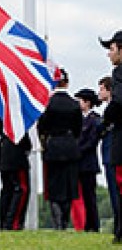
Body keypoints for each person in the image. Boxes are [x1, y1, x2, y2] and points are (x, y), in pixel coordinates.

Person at [37, 69, 83, 230]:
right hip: (70, 146)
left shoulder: (48, 104)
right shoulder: (75, 104)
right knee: (69, 186)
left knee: (54, 186)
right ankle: (65, 220)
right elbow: (78, 129)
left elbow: (42, 127)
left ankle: (58, 222)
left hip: (54, 146)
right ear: (67, 83)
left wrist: (44, 142)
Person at [99, 30, 122, 243]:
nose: (109, 54)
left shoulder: (118, 73)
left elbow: (118, 102)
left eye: (112, 49)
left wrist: (105, 120)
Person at [0, 113, 31, 230]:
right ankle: (13, 223)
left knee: (7, 189)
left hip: (4, 151)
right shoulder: (14, 111)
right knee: (20, 189)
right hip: (16, 152)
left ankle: (4, 222)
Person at [74, 88, 101, 232]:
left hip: (88, 163)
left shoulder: (94, 120)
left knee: (90, 195)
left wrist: (77, 150)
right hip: (80, 163)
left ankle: (93, 224)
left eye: (80, 100)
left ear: (87, 102)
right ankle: (85, 224)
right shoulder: (79, 120)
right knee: (82, 196)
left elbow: (92, 141)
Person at [98, 76, 119, 234]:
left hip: (113, 153)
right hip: (109, 153)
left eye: (102, 88)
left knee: (116, 192)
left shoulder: (113, 111)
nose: (99, 92)